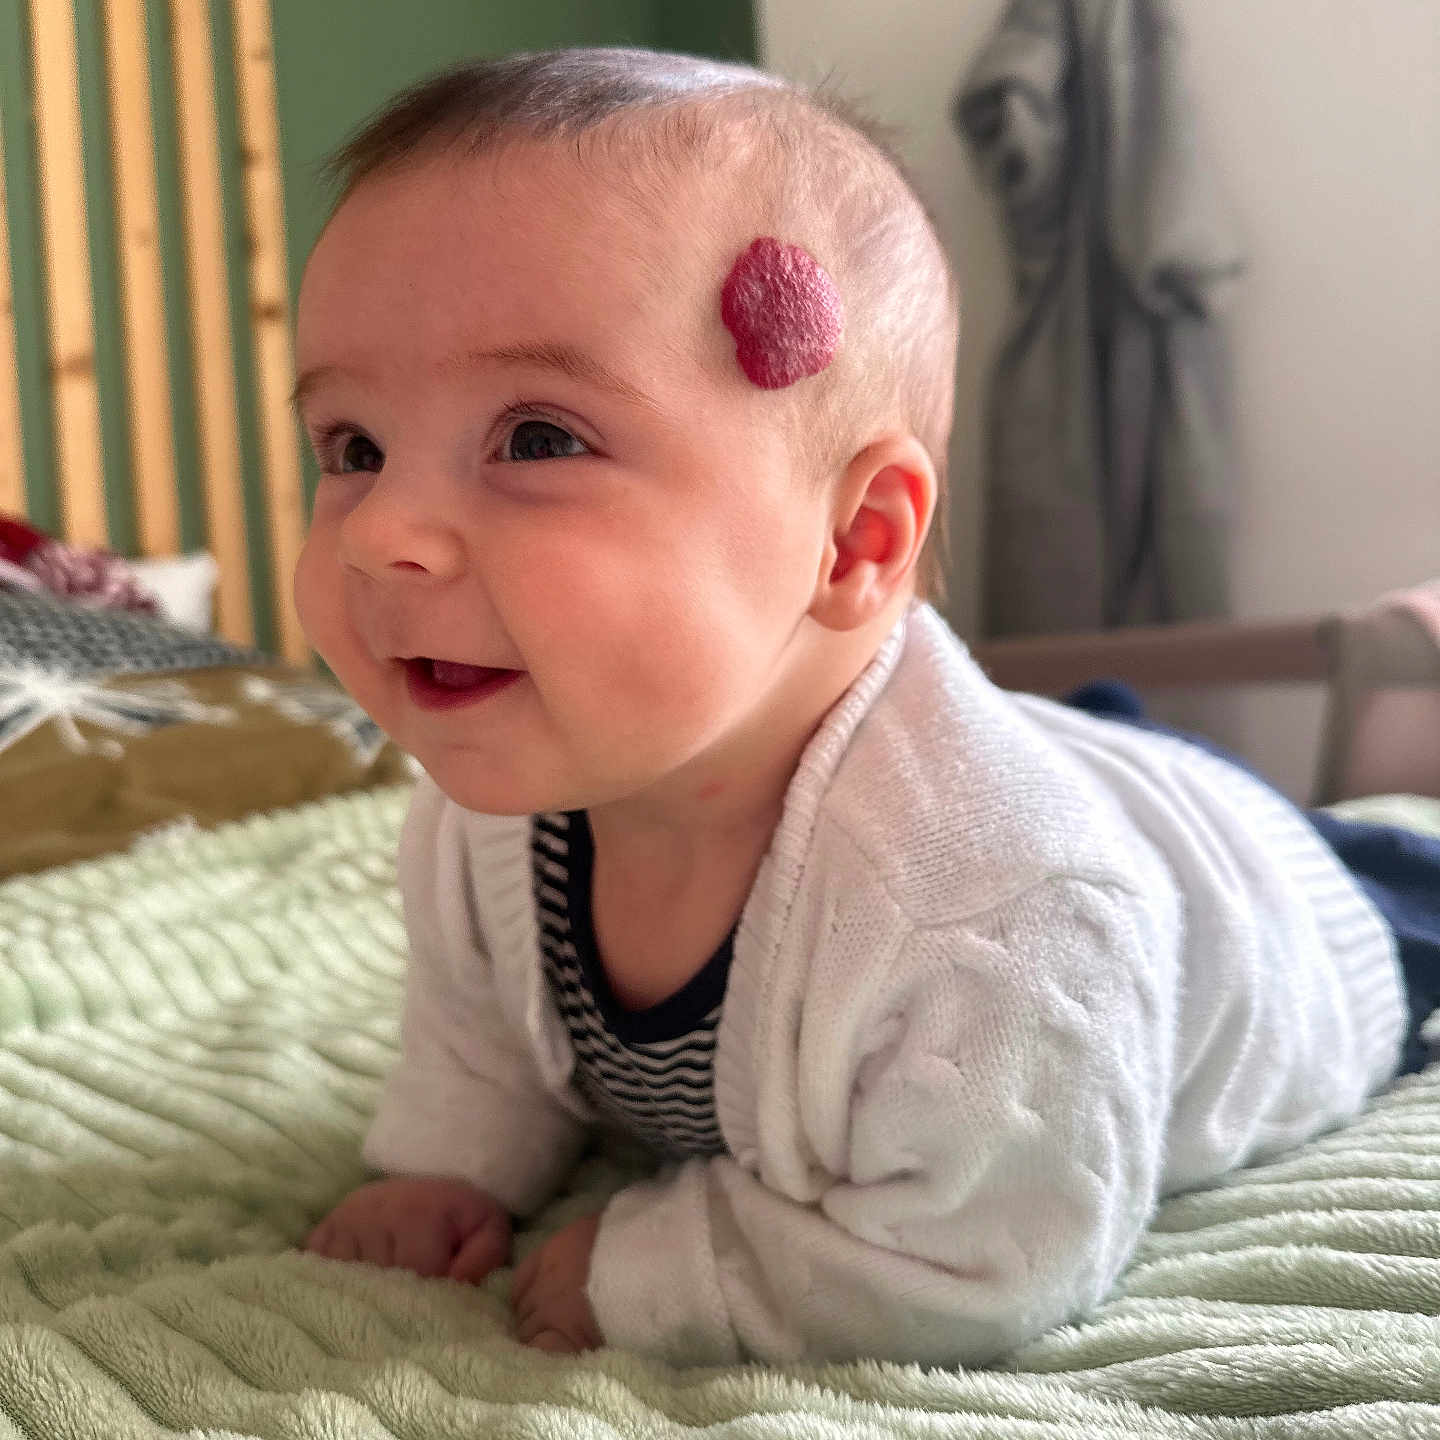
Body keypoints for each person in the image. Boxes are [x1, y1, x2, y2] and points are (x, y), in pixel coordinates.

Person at [292, 48, 1428, 1368]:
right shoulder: (482, 822)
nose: (384, 535)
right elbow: (484, 1035)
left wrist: (666, 1269)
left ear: (852, 540)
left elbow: (994, 1255)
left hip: (1308, 919)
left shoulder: (999, 910)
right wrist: (450, 1167)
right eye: (351, 449)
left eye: (537, 439)